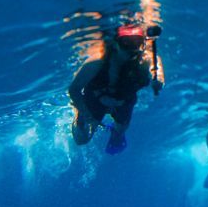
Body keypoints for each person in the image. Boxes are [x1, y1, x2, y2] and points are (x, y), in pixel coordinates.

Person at [68, 24, 159, 154]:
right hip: (95, 98)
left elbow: (157, 66)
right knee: (82, 139)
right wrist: (86, 115)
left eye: (137, 42)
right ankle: (78, 114)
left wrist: (159, 80)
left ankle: (116, 132)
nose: (131, 49)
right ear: (115, 43)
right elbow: (73, 90)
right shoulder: (97, 62)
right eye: (126, 43)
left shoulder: (144, 62)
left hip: (123, 100)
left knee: (120, 131)